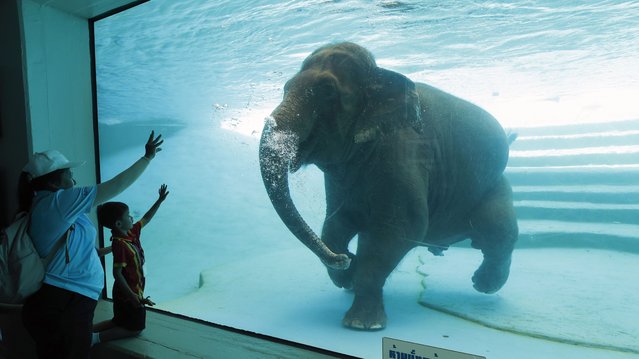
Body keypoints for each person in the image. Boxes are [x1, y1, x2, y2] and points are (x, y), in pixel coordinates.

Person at [19, 131, 164, 359]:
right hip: (65, 304)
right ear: (55, 180)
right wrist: (147, 158)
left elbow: (76, 251)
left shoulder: (49, 207)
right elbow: (115, 186)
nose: (74, 181)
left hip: (62, 303)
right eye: (69, 174)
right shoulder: (58, 202)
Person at [92, 184, 169, 343]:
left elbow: (146, 218)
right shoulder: (120, 245)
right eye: (128, 216)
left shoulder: (130, 232)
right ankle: (95, 339)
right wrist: (132, 296)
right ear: (118, 224)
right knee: (136, 328)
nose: (132, 218)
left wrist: (159, 200)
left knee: (118, 321)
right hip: (127, 294)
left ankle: (84, 331)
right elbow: (117, 274)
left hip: (130, 290)